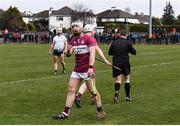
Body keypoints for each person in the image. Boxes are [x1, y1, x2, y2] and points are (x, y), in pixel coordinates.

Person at [53, 21, 106, 120]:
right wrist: (68, 50)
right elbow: (69, 55)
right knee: (71, 89)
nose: (74, 28)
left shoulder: (89, 39)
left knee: (92, 91)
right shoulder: (72, 40)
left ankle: (100, 110)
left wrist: (90, 67)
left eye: (77, 26)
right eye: (73, 26)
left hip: (87, 70)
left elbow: (93, 54)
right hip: (77, 70)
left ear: (82, 28)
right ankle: (65, 113)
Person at [74, 24, 111, 107]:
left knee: (89, 82)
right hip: (88, 65)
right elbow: (98, 50)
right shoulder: (91, 38)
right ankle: (94, 102)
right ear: (91, 30)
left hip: (79, 65)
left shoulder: (80, 38)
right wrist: (105, 60)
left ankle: (83, 96)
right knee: (91, 83)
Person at [108, 31, 136, 104]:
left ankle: (116, 92)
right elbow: (134, 52)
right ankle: (127, 97)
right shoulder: (128, 42)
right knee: (127, 79)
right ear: (126, 35)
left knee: (118, 80)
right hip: (125, 63)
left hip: (116, 63)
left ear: (119, 35)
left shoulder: (114, 42)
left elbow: (110, 53)